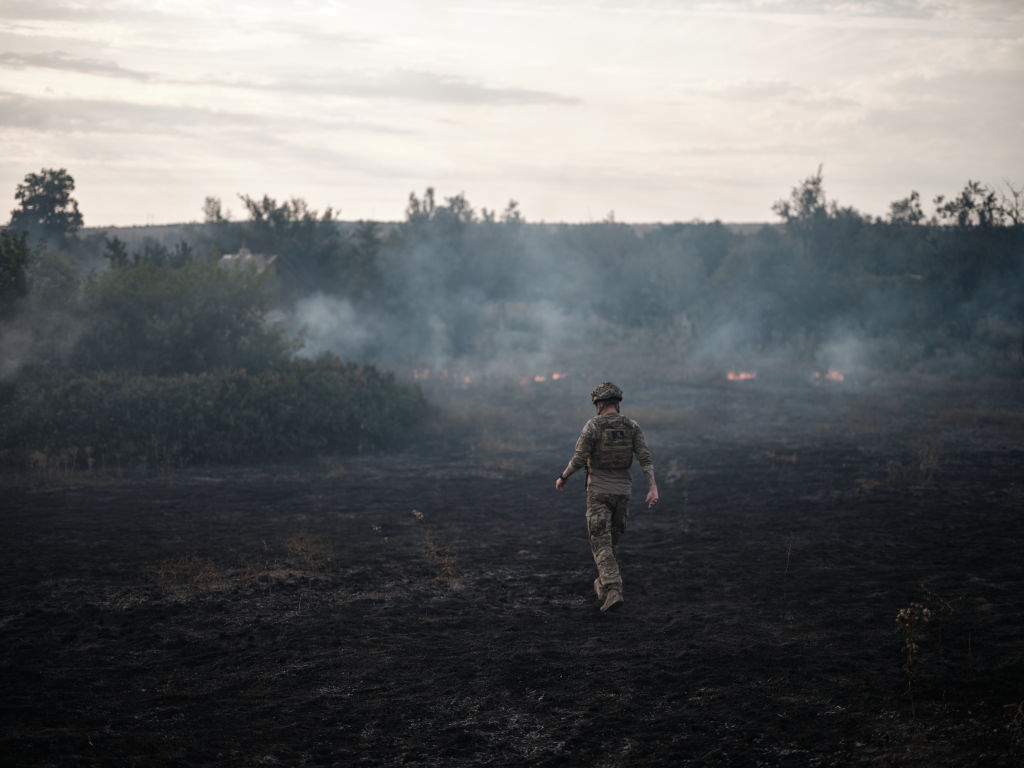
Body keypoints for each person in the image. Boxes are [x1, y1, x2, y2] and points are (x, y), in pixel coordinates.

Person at [555, 382, 658, 612]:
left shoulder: (593, 426)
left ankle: (612, 589)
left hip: (599, 493)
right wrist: (653, 487)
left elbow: (579, 458)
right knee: (609, 543)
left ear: (599, 404)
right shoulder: (632, 427)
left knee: (600, 543)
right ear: (617, 403)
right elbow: (645, 458)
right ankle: (602, 584)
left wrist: (563, 476)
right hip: (623, 493)